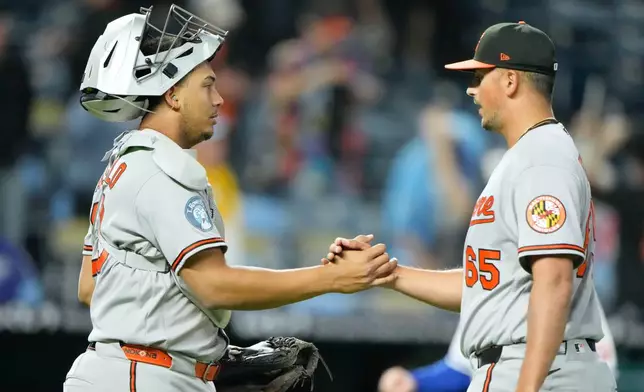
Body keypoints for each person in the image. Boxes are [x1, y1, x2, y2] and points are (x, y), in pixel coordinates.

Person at [63, 5, 396, 392]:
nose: (219, 99)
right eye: (207, 85)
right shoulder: (160, 170)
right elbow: (213, 285)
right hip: (143, 376)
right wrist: (330, 278)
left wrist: (208, 354)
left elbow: (91, 287)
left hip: (130, 370)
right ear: (172, 95)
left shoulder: (123, 164)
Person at [326, 21, 617, 392]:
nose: (471, 88)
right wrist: (386, 273)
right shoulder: (527, 157)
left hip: (540, 372)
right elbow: (486, 286)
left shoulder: (541, 159)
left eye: (480, 76)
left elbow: (555, 280)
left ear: (510, 81)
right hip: (527, 366)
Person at [377, 302, 619, 392]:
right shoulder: (489, 295)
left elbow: (596, 377)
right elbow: (461, 369)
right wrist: (415, 381)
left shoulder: (576, 297)